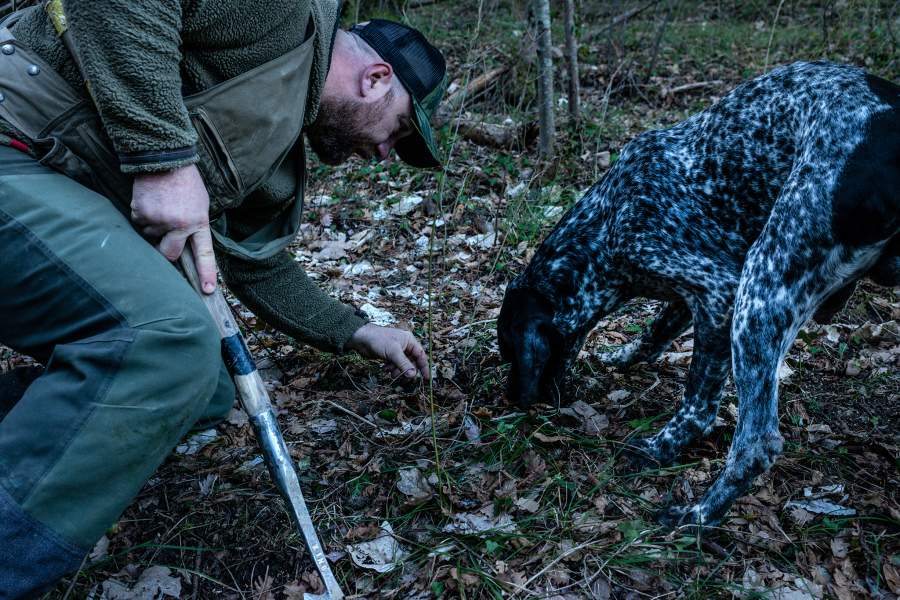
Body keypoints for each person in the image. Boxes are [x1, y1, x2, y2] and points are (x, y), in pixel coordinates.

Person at [0, 0, 446, 595]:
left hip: (47, 177)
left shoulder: (277, 138)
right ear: (376, 79)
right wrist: (163, 160)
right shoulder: (280, 16)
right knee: (167, 344)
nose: (387, 153)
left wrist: (356, 330)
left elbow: (255, 264)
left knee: (205, 388)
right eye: (400, 130)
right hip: (15, 138)